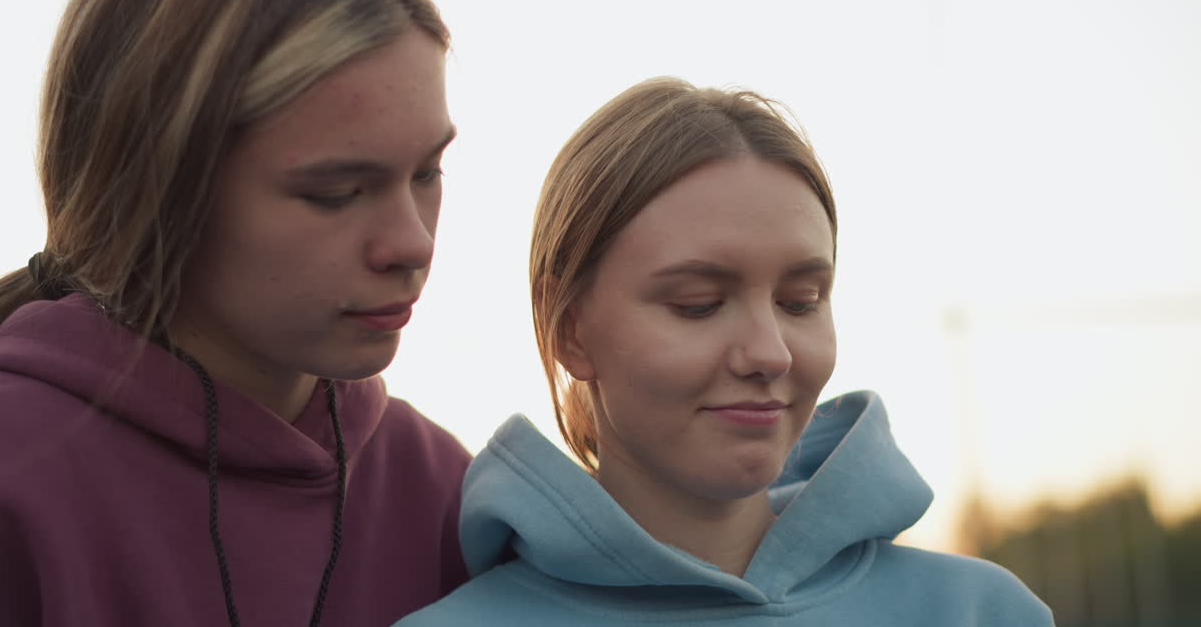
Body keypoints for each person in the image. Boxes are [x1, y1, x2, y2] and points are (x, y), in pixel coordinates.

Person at [0, 0, 470, 625]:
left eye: (426, 173)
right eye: (334, 193)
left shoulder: (446, 494)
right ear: (159, 187)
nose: (411, 242)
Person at [395, 78, 1054, 626]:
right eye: (697, 305)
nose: (769, 353)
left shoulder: (980, 612)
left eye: (800, 302)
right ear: (572, 331)